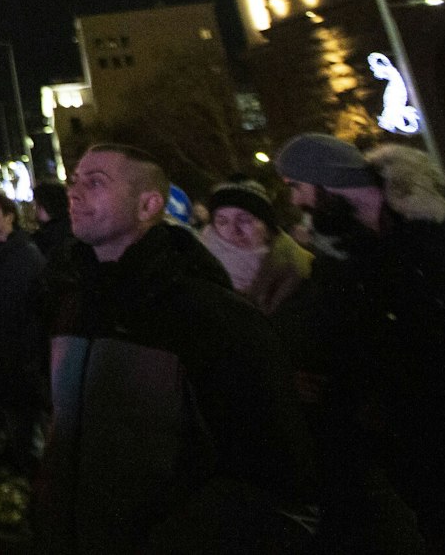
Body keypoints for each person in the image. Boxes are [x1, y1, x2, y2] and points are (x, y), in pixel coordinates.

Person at [36, 144, 315, 554]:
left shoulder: (213, 316)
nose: (73, 194)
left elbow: (275, 482)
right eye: (73, 181)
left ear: (149, 204)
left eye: (95, 183)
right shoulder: (71, 305)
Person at [277, 132, 445, 552]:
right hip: (430, 461)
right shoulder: (338, 266)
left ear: (325, 179)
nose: (296, 202)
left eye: (296, 187)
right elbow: (333, 353)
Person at [0, 191, 45, 472]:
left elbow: (36, 306)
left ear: (9, 217)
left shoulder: (26, 255)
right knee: (5, 409)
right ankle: (14, 455)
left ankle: (31, 466)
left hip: (21, 352)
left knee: (25, 412)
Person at [199, 178, 310, 317]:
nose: (233, 230)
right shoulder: (196, 262)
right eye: (222, 221)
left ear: (267, 228)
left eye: (244, 219)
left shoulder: (297, 272)